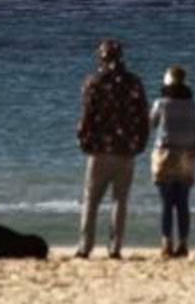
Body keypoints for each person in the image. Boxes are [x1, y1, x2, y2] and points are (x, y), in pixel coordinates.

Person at [75, 39, 150, 259]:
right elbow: (142, 117)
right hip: (126, 149)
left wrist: (82, 139)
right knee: (120, 201)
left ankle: (85, 246)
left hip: (99, 149)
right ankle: (115, 247)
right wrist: (140, 143)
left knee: (91, 200)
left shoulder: (94, 81)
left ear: (102, 57)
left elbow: (88, 114)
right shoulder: (134, 82)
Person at [149, 65, 195, 258]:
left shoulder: (161, 103)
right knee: (182, 203)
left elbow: (151, 124)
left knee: (166, 203)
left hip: (164, 154)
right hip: (186, 155)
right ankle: (183, 244)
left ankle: (166, 244)